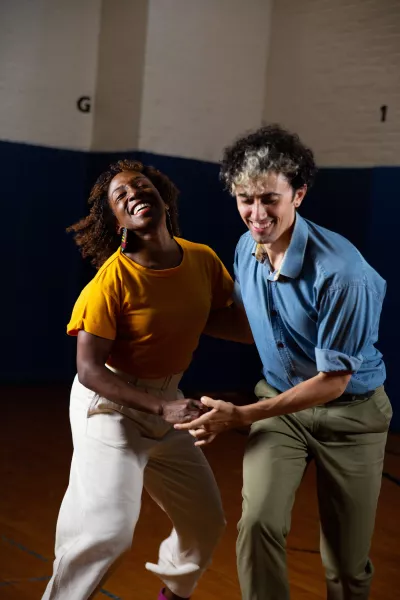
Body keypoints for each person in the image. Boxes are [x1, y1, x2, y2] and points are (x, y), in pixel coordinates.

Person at [176, 125, 392, 600]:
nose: (256, 213)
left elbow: (333, 382)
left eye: (269, 199)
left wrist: (241, 416)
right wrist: (177, 321)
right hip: (281, 407)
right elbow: (256, 329)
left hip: (349, 414)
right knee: (257, 525)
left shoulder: (342, 275)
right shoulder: (246, 248)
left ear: (299, 194)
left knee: (346, 565)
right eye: (245, 198)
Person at [42, 159, 251, 600]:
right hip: (111, 407)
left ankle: (173, 595)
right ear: (115, 219)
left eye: (141, 186)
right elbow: (89, 370)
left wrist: (285, 332)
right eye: (121, 196)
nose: (134, 193)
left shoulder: (201, 259)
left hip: (166, 400)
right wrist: (161, 407)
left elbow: (219, 320)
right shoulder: (110, 281)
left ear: (162, 195)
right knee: (108, 533)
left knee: (204, 521)